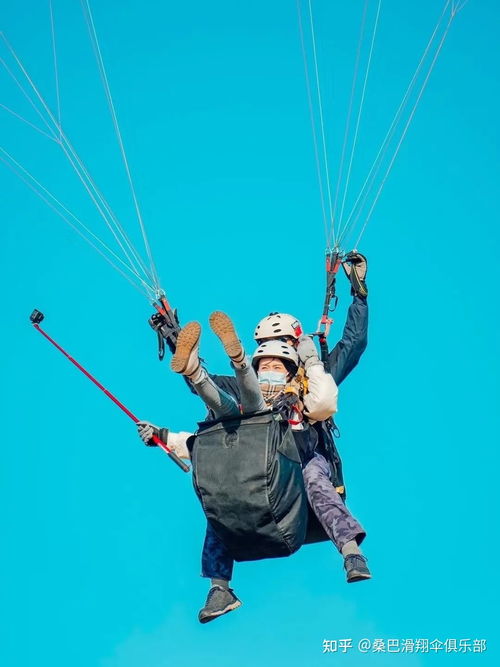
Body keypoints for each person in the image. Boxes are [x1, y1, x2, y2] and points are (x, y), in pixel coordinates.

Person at [139, 307, 370, 623]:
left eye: (281, 353)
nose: (272, 364)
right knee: (221, 492)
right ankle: (220, 589)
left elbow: (351, 347)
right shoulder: (240, 389)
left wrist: (358, 295)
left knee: (315, 476)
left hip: (298, 473)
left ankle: (352, 554)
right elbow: (212, 433)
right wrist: (173, 334)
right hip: (254, 471)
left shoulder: (309, 382)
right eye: (263, 360)